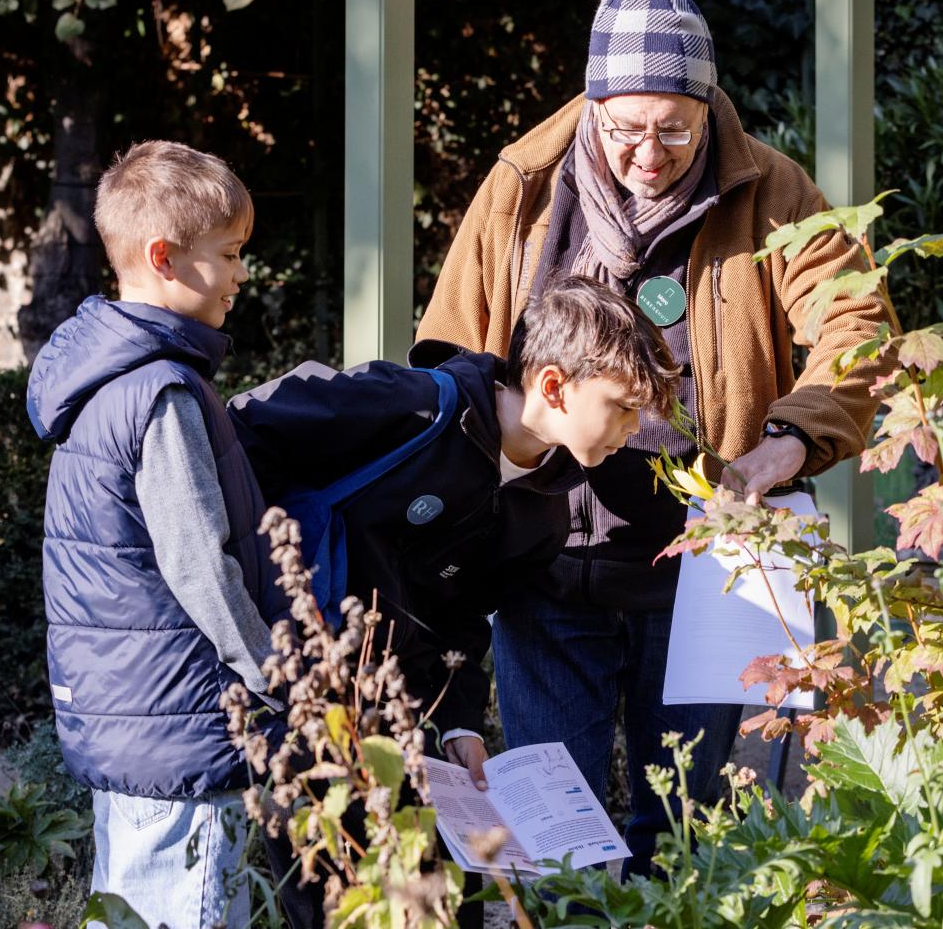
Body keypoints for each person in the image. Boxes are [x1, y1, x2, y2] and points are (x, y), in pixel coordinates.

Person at [416, 0, 891, 877]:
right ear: (592, 106)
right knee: (556, 845)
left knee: (686, 837)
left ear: (709, 107)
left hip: (703, 572)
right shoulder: (524, 186)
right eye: (626, 129)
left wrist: (783, 446)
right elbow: (449, 354)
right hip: (541, 566)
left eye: (675, 131)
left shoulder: (774, 191)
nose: (648, 153)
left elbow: (858, 330)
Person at [228, 275, 679, 927]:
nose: (634, 429)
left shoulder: (545, 514)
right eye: (622, 406)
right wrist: (252, 588)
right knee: (336, 903)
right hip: (303, 694)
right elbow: (243, 429)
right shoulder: (409, 406)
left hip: (408, 716)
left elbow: (466, 617)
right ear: (554, 386)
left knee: (448, 905)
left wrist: (461, 725)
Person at [26, 141, 288, 929]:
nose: (242, 273)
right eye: (229, 253)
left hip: (134, 720)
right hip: (183, 725)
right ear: (164, 257)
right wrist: (274, 678)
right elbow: (199, 565)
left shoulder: (103, 382)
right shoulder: (161, 393)